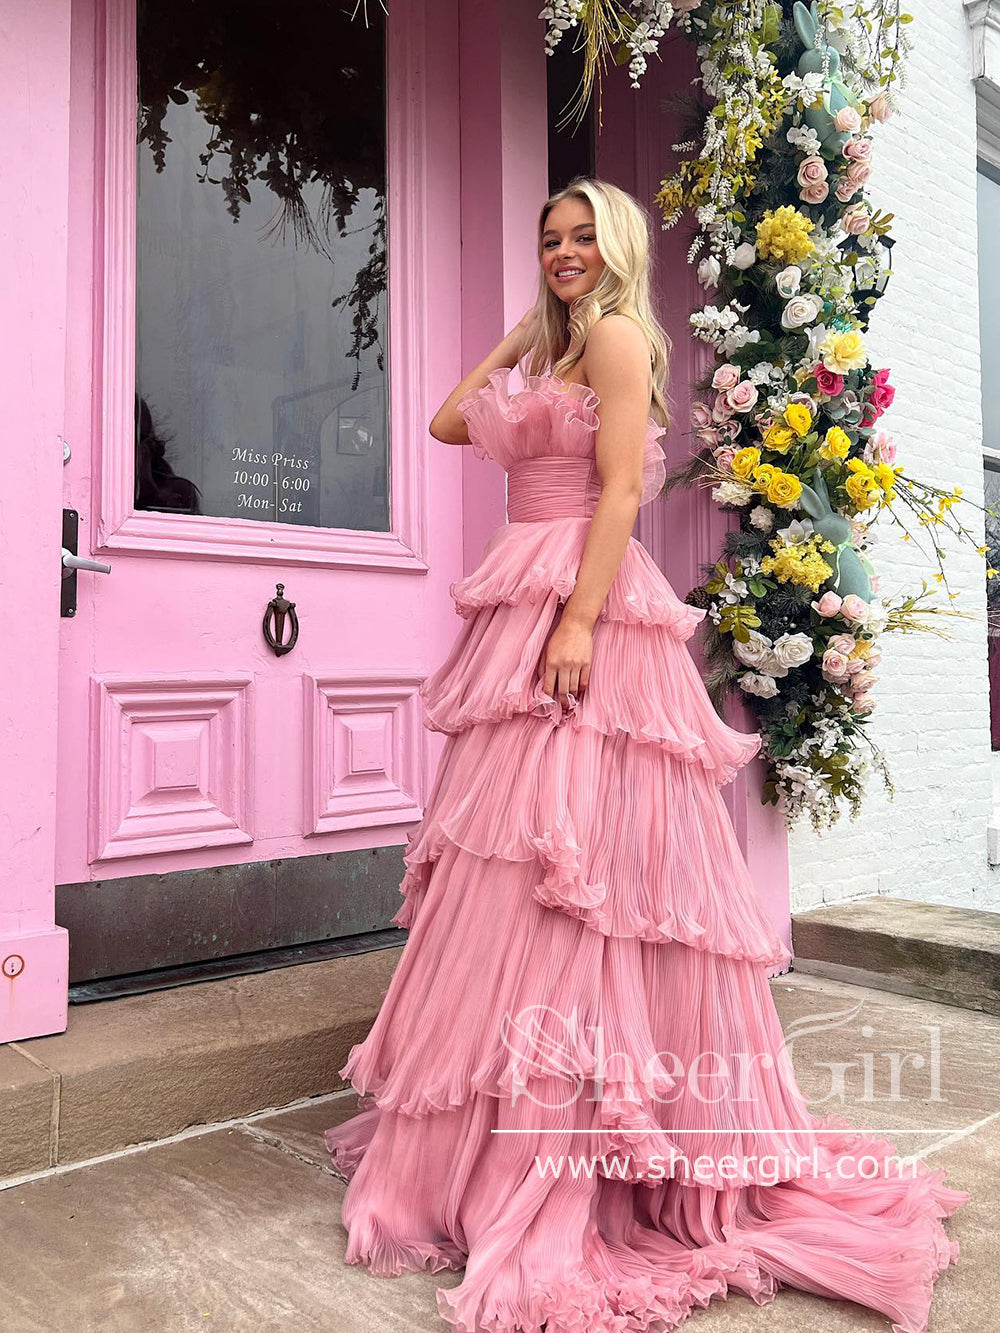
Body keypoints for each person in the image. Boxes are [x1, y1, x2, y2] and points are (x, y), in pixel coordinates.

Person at [323, 176, 968, 1333]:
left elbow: (620, 487)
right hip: (519, 600)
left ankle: (596, 1134)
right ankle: (493, 1134)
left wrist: (576, 619)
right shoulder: (554, 347)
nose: (565, 253)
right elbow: (446, 421)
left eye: (583, 238)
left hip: (582, 605)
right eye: (549, 240)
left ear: (617, 248)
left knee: (587, 863)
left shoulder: (618, 338)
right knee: (518, 860)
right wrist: (528, 324)